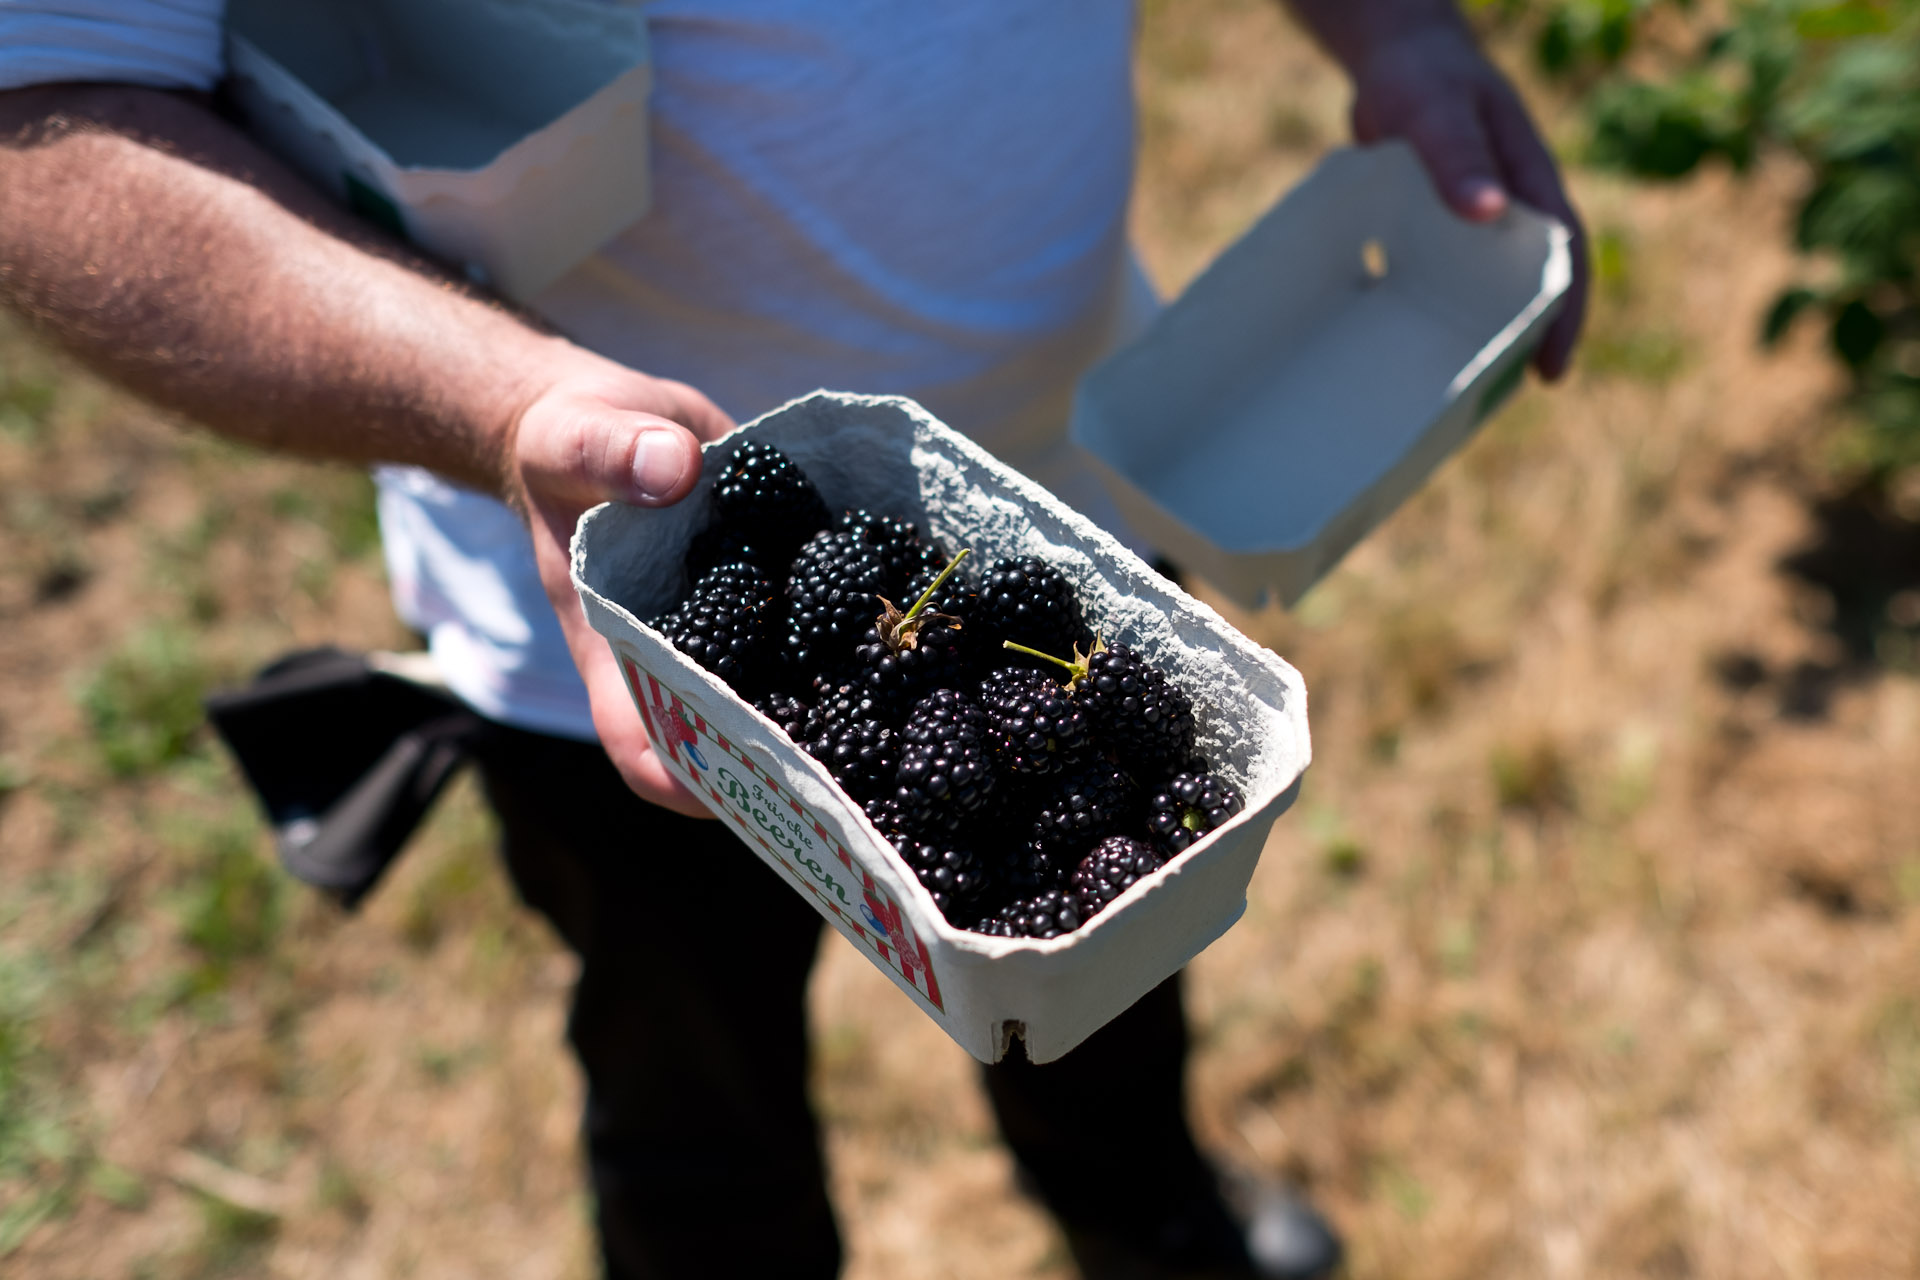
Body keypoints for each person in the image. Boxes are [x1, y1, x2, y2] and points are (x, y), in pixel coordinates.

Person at [0, 2, 1585, 1276]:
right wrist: (503, 402)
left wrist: (1398, 32)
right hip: (640, 637)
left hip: (1072, 516)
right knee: (696, 1098)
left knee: (1096, 985)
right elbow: (50, 113)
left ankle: (1149, 1225)